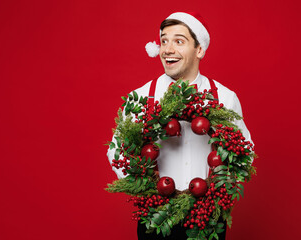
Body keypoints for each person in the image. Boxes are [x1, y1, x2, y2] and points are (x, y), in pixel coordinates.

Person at [107, 12, 252, 239]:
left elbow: (245, 151)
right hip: (156, 218)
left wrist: (220, 189)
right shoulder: (143, 97)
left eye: (179, 41)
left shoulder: (223, 97)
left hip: (207, 220)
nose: (167, 49)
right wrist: (142, 186)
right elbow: (117, 149)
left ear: (199, 50)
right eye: (164, 40)